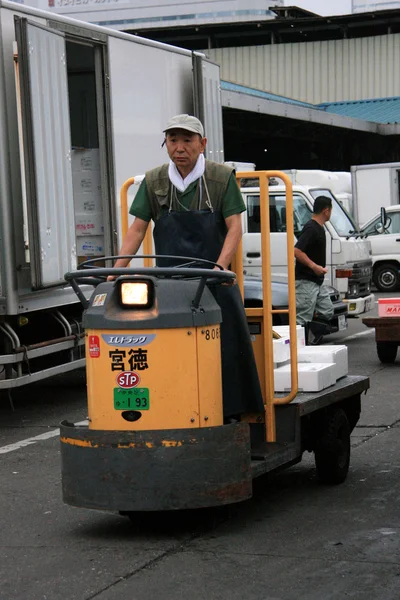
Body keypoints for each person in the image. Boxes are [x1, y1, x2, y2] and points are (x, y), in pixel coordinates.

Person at [111, 114, 264, 419]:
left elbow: (235, 227)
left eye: (187, 140)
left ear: (202, 143)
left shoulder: (221, 178)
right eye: (173, 140)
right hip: (170, 288)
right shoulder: (154, 181)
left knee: (227, 356)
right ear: (165, 144)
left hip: (214, 284)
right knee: (168, 354)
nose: (179, 148)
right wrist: (117, 270)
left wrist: (221, 267)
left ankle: (232, 415)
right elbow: (137, 229)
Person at [294, 195, 334, 345]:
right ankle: (299, 349)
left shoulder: (319, 228)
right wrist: (314, 266)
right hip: (305, 280)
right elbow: (297, 251)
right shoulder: (311, 228)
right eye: (331, 211)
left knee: (327, 310)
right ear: (326, 211)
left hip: (316, 281)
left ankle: (311, 341)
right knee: (302, 318)